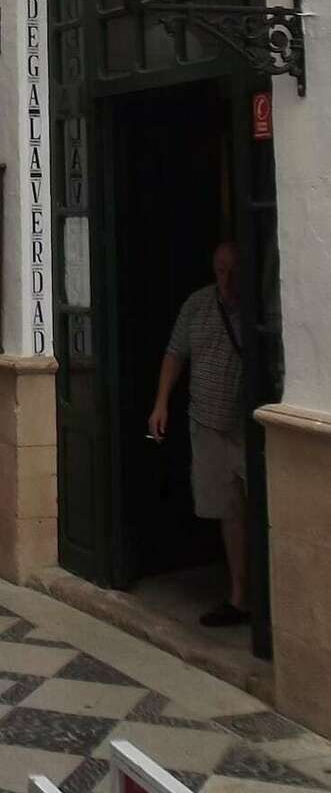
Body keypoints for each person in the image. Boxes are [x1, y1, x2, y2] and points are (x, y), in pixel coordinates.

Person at [148, 242, 247, 628]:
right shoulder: (198, 305)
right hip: (206, 421)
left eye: (234, 270)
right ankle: (240, 597)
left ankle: (268, 601)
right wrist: (161, 404)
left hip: (247, 424)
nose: (227, 279)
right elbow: (175, 353)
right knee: (229, 512)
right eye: (221, 270)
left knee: (258, 510)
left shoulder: (260, 308)